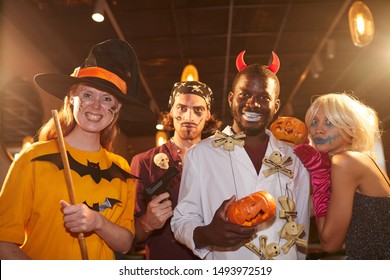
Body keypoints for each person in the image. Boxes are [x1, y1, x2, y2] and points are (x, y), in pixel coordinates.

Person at [0, 39, 150, 259]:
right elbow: (4, 243)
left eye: (107, 99)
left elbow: (126, 242)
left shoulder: (120, 167)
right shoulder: (33, 157)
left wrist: (98, 222)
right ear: (71, 97)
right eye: (88, 95)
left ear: (116, 110)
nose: (96, 106)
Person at [171, 51, 311, 260]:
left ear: (276, 106)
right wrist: (207, 234)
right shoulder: (201, 154)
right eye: (244, 94)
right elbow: (182, 220)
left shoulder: (294, 158)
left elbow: (301, 225)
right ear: (231, 99)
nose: (252, 103)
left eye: (263, 97)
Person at [294, 92, 390, 260]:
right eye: (314, 122)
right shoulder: (354, 161)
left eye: (329, 122)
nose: (318, 129)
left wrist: (319, 176)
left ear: (350, 130)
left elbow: (330, 244)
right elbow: (299, 210)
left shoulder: (345, 162)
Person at [130, 80, 219, 259]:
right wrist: (147, 223)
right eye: (182, 108)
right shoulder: (144, 162)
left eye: (198, 110)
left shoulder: (219, 161)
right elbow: (130, 237)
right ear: (171, 110)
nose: (188, 117)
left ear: (208, 114)